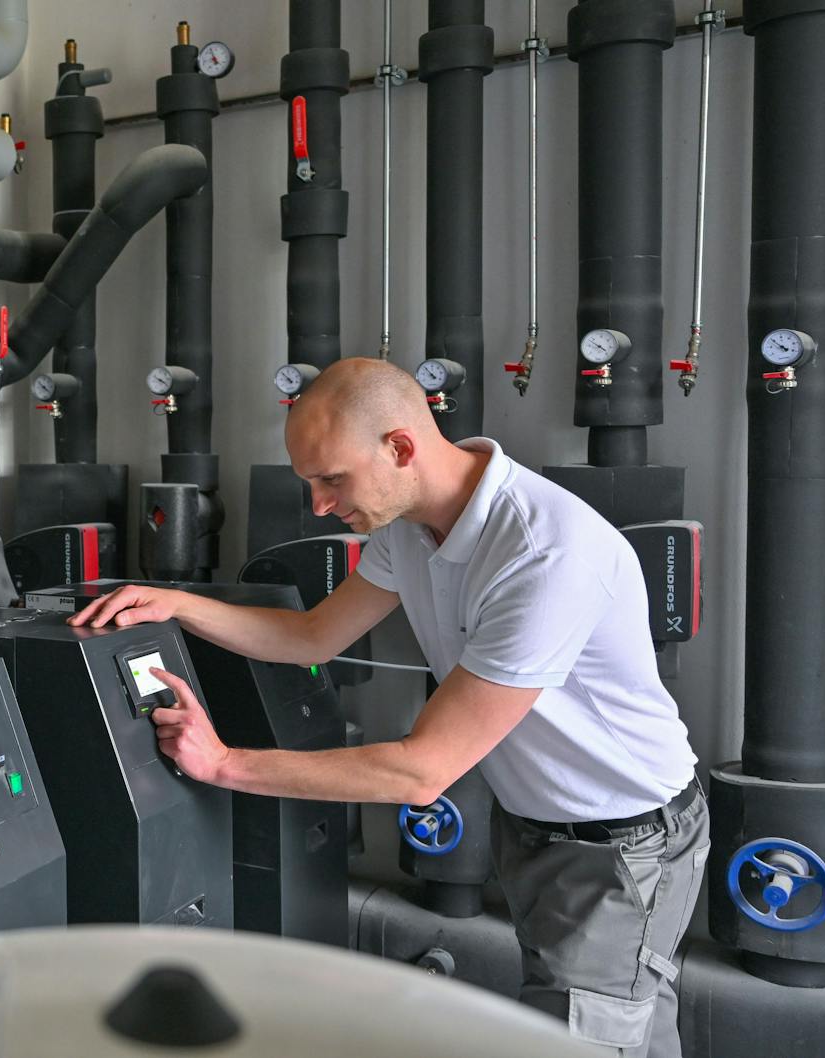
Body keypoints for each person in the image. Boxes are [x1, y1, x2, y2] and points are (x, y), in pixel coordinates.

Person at [71, 358, 705, 1058]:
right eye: (309, 482)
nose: (317, 506)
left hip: (623, 846)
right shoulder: (409, 527)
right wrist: (177, 605)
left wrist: (221, 764)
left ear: (401, 447)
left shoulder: (542, 553)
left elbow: (420, 773)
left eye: (331, 480)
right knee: (631, 1028)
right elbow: (314, 636)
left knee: (582, 1039)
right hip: (538, 829)